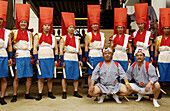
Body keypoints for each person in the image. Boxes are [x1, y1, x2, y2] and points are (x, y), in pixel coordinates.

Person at [11, 3, 34, 102]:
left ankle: (27, 93)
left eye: (25, 22)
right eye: (21, 22)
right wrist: (12, 55)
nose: (23, 24)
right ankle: (15, 95)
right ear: (18, 23)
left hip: (27, 55)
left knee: (29, 77)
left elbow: (32, 45)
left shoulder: (30, 34)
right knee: (17, 77)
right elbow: (8, 45)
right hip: (19, 55)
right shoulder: (14, 33)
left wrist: (32, 54)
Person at [33, 7, 58, 101]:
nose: (47, 27)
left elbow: (56, 49)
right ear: (42, 27)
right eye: (45, 25)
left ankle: (50, 92)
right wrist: (36, 59)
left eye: (48, 25)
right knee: (41, 77)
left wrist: (56, 59)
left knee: (50, 77)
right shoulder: (37, 36)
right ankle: (39, 93)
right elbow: (35, 48)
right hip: (41, 57)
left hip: (50, 57)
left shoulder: (53, 37)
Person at [60, 12, 83, 99]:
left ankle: (75, 91)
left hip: (75, 57)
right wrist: (62, 60)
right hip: (67, 57)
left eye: (73, 27)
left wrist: (80, 60)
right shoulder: (63, 38)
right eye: (70, 27)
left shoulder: (77, 38)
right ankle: (64, 92)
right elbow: (61, 50)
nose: (72, 29)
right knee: (65, 76)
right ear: (67, 28)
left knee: (76, 76)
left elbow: (80, 49)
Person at [85, 5, 105, 97]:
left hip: (100, 55)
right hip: (92, 54)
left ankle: (99, 90)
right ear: (91, 25)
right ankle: (90, 91)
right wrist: (86, 57)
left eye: (96, 24)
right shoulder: (88, 35)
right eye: (93, 24)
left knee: (100, 74)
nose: (95, 26)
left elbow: (104, 47)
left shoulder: (102, 34)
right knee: (90, 74)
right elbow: (86, 46)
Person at [110, 8, 132, 72]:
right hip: (115, 54)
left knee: (124, 71)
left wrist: (130, 57)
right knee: (115, 71)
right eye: (119, 28)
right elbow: (111, 47)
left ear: (123, 29)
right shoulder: (113, 37)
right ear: (116, 29)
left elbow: (130, 48)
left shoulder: (127, 37)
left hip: (124, 55)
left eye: (121, 28)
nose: (120, 29)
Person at [0, 1, 12, 105]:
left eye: (1, 19)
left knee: (3, 77)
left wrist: (10, 57)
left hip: (3, 55)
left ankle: (2, 97)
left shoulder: (7, 32)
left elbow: (10, 46)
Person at [154, 8, 170, 82]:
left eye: (168, 28)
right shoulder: (158, 38)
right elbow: (156, 50)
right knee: (161, 73)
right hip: (161, 57)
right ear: (162, 29)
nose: (166, 30)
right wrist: (155, 59)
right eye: (165, 28)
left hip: (169, 57)